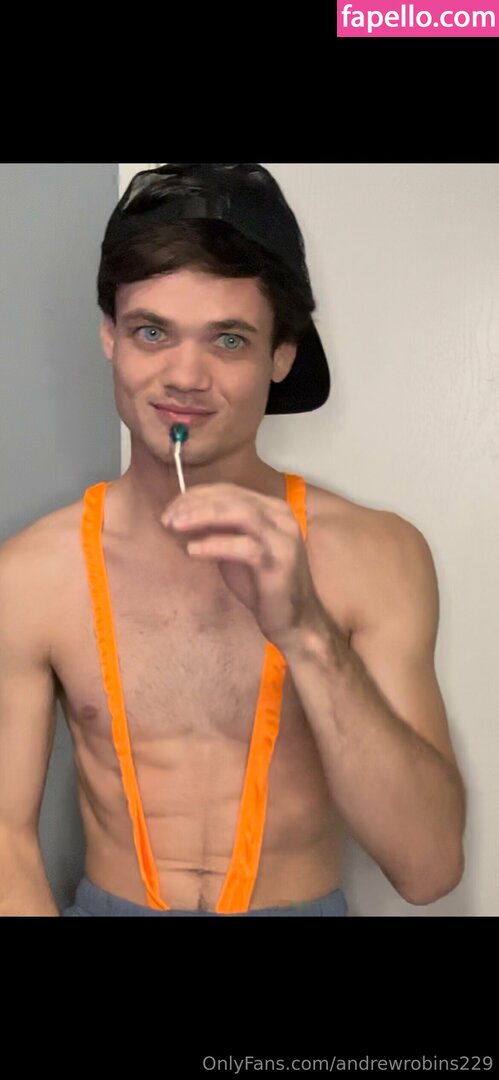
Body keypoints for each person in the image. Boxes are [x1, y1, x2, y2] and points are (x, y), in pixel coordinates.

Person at [0, 163, 466, 917]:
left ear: (281, 356)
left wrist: (307, 632)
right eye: (152, 331)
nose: (184, 375)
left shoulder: (378, 556)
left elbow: (429, 868)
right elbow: (5, 841)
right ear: (110, 337)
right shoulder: (29, 574)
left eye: (228, 339)